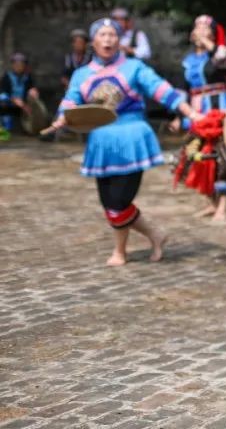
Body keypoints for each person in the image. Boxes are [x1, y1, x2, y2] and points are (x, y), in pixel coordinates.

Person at [49, 18, 203, 266]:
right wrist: (61, 119)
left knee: (119, 201)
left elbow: (161, 89)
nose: (108, 40)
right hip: (101, 141)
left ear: (119, 40)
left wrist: (190, 113)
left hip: (132, 137)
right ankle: (154, 234)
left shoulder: (134, 68)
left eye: (112, 35)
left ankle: (121, 251)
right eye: (103, 35)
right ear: (94, 42)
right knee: (109, 202)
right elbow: (71, 100)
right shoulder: (82, 74)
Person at [172, 15, 226, 221]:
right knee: (197, 153)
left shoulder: (221, 52)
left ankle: (224, 203)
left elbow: (222, 66)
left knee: (222, 154)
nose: (199, 29)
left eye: (205, 26)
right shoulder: (188, 61)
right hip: (196, 109)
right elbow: (182, 90)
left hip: (218, 106)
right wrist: (178, 115)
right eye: (197, 25)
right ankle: (210, 200)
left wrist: (209, 43)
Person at [0, 52, 39, 141]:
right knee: (2, 101)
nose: (19, 66)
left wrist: (33, 92)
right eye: (16, 64)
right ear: (13, 65)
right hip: (9, 104)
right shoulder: (7, 76)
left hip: (24, 106)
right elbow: (3, 93)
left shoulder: (27, 77)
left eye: (21, 64)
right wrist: (15, 100)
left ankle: (29, 129)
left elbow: (32, 88)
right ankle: (5, 128)